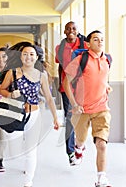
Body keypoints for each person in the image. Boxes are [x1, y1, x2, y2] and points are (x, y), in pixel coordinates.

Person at [0, 42, 59, 187]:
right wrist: (11, 94)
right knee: (15, 147)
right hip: (15, 114)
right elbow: (2, 90)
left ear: (36, 57)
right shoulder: (12, 73)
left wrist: (55, 118)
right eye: (25, 54)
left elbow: (49, 98)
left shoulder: (41, 75)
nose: (28, 57)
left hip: (33, 114)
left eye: (32, 54)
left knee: (31, 150)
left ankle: (28, 181)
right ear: (20, 57)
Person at [63, 30, 112, 187]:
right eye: (96, 39)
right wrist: (74, 104)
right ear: (88, 44)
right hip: (82, 109)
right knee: (80, 139)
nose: (100, 42)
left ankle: (101, 178)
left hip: (102, 108)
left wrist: (106, 87)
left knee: (101, 144)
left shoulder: (107, 59)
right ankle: (79, 148)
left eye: (102, 39)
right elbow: (66, 82)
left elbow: (101, 79)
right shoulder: (80, 59)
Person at [55, 21, 88, 165]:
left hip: (82, 87)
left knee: (81, 117)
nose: (71, 31)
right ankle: (70, 152)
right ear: (64, 31)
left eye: (73, 28)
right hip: (66, 87)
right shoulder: (59, 48)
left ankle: (79, 144)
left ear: (77, 30)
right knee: (69, 117)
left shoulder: (85, 45)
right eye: (68, 29)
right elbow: (60, 67)